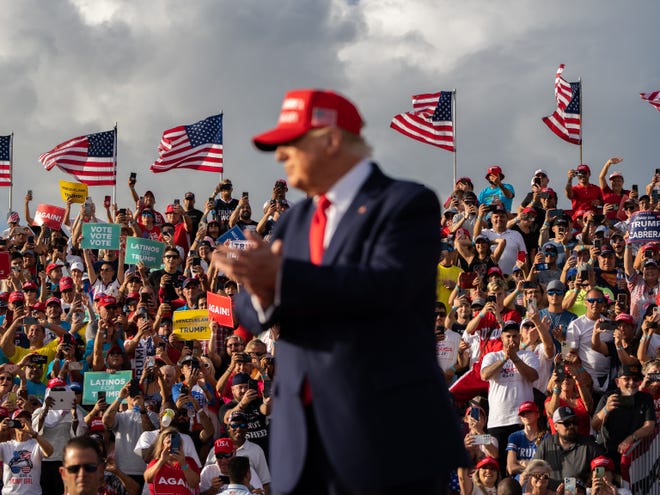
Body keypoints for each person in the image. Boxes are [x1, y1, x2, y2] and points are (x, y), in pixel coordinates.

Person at [213, 88, 466, 495]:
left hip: (387, 435)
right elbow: (248, 308)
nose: (280, 156)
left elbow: (387, 288)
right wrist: (262, 289)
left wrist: (283, 275)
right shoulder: (295, 221)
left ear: (331, 141)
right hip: (302, 447)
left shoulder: (406, 203)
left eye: (291, 143)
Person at [481, 321, 539, 470]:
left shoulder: (528, 355)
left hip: (521, 420)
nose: (511, 340)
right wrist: (504, 358)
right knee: (499, 466)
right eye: (508, 336)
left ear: (520, 338)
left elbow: (532, 376)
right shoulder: (492, 356)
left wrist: (515, 358)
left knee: (522, 466)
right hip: (497, 421)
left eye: (514, 336)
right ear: (501, 338)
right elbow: (484, 375)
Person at [590, 364, 655, 471]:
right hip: (606, 455)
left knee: (631, 486)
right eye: (626, 379)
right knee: (601, 482)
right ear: (617, 382)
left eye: (635, 379)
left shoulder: (645, 398)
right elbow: (594, 426)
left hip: (633, 456)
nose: (631, 383)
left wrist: (630, 439)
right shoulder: (608, 397)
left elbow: (650, 426)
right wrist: (606, 409)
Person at [534, 406, 605, 491]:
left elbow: (603, 468)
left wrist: (595, 479)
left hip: (576, 492)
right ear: (556, 426)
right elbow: (534, 472)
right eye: (567, 423)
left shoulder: (589, 446)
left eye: (575, 422)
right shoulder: (546, 444)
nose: (572, 426)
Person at [144, 427, 200, 495]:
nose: (171, 445)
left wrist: (183, 463)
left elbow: (194, 483)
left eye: (175, 442)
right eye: (168, 442)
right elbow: (148, 479)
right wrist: (161, 460)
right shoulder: (155, 463)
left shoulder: (189, 462)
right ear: (162, 445)